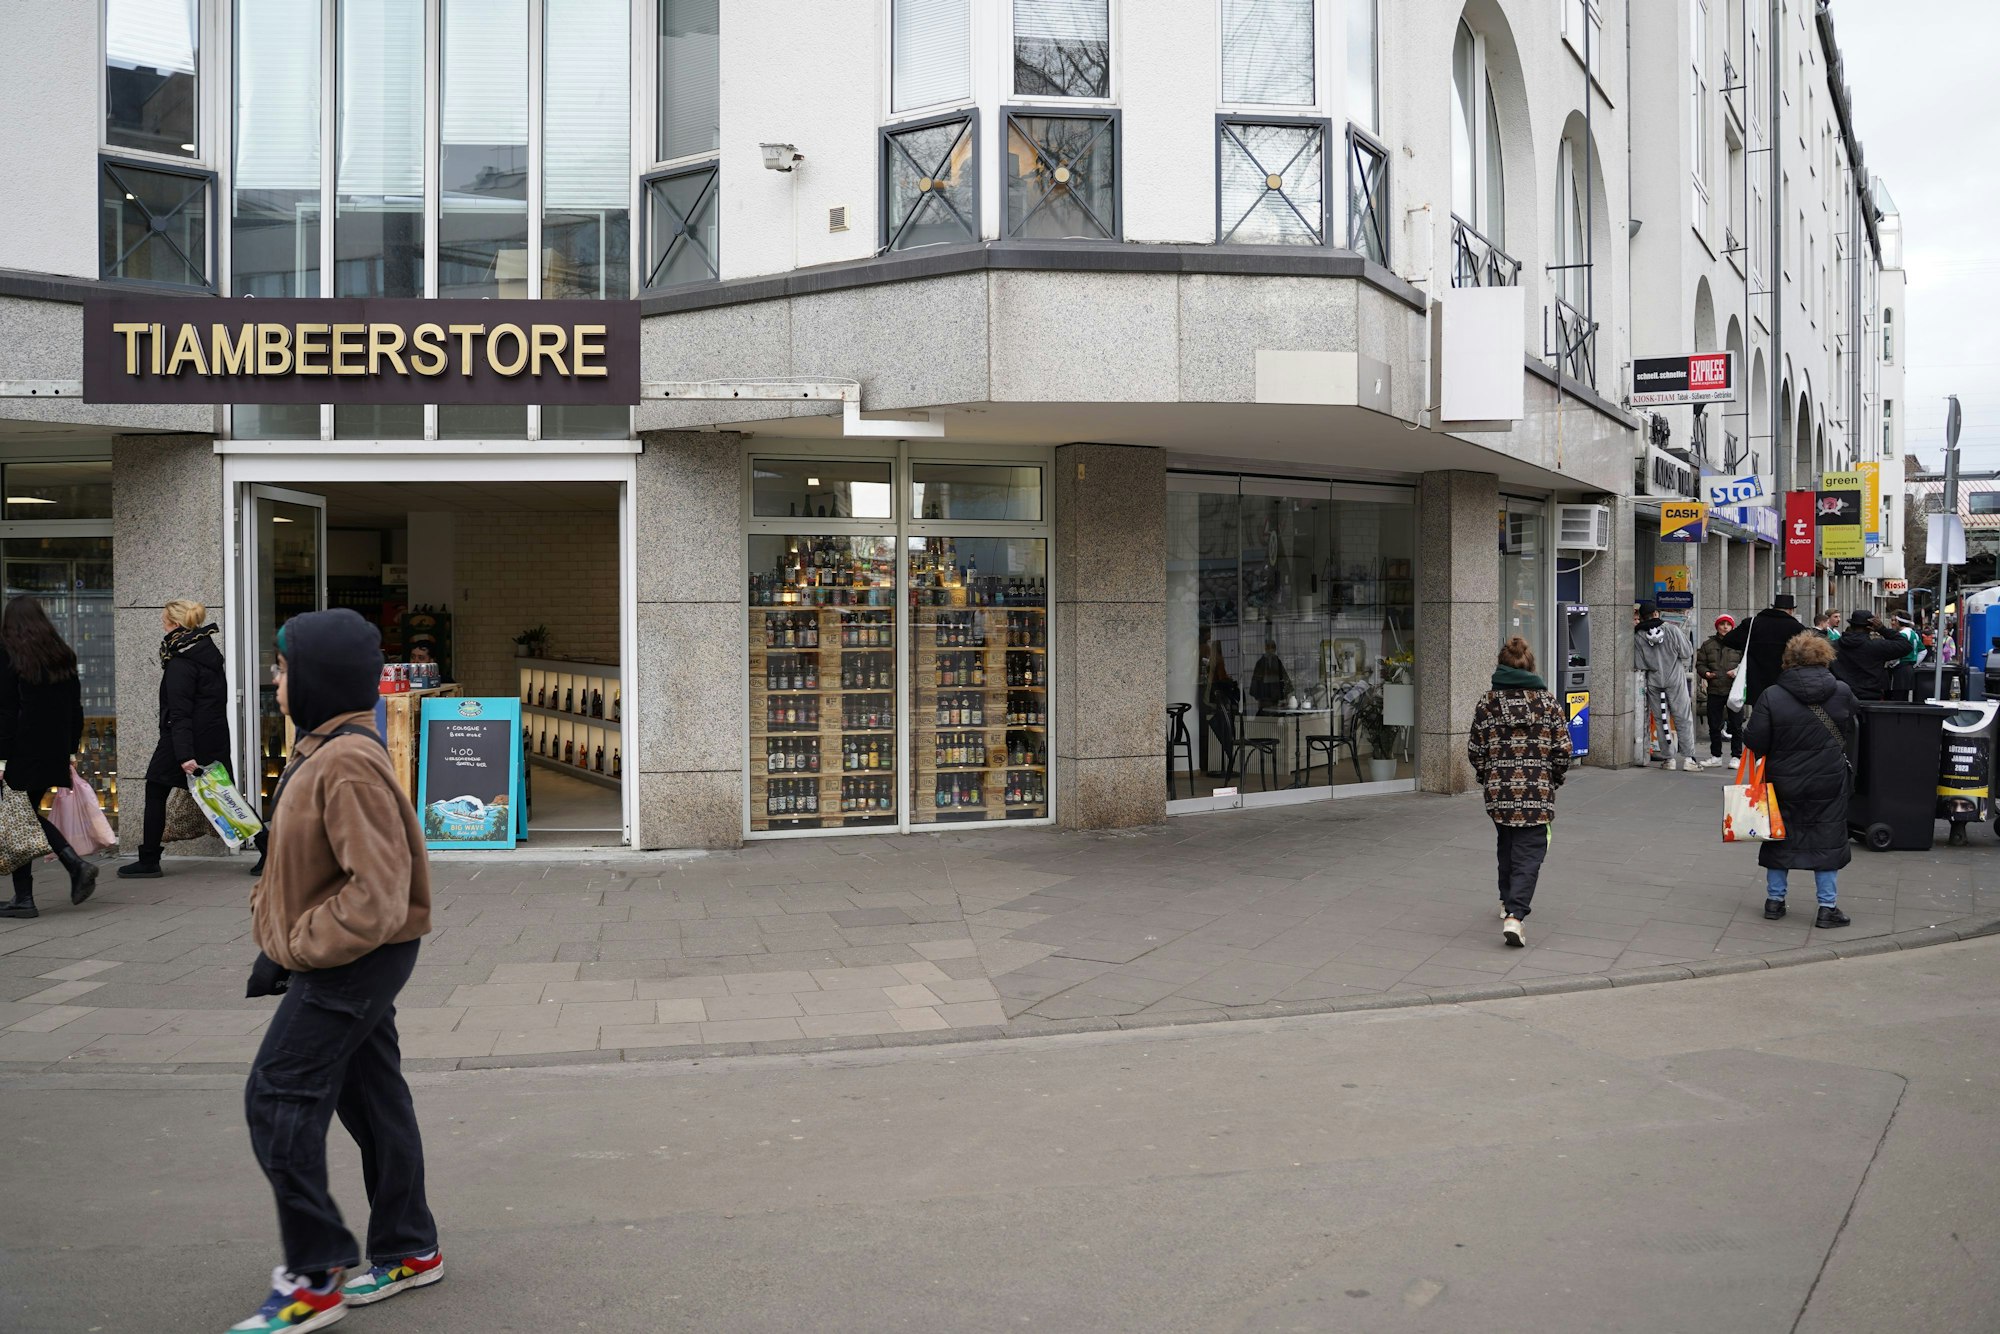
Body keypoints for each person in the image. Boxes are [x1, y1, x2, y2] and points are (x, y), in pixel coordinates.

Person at [233, 608, 440, 1333]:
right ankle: (409, 1248)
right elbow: (309, 869)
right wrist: (278, 945)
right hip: (347, 954)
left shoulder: (346, 759)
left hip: (355, 959)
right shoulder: (321, 747)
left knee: (277, 1096)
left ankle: (313, 1274)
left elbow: (374, 894)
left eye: (284, 667)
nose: (276, 679)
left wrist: (299, 947)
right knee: (373, 1095)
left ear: (315, 676)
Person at [1741, 632, 1856, 928]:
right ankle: (1827, 908)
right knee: (1828, 839)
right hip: (1828, 779)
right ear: (1825, 657)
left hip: (1784, 779)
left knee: (1780, 837)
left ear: (1788, 660)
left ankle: (1775, 902)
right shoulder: (1841, 691)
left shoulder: (1772, 695)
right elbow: (1853, 728)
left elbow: (1755, 739)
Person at [1467, 637, 1573, 949]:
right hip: (1536, 792)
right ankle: (1515, 914)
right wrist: (1551, 778)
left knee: (1507, 844)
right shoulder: (1549, 703)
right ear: (1531, 667)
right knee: (1530, 852)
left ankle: (1505, 899)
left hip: (1499, 791)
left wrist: (1488, 776)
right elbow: (1563, 751)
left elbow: (1476, 749)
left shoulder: (1488, 703)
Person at [119, 599, 231, 880]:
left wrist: (184, 754)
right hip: (207, 735)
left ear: (175, 624)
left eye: (164, 620)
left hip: (182, 739)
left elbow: (180, 712)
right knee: (222, 797)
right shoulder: (206, 653)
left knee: (159, 790)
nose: (162, 624)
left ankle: (148, 861)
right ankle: (267, 847)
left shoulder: (181, 661)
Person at [0, 597, 95, 918]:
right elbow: (75, 708)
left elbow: (8, 711)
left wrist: (1, 759)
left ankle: (60, 874)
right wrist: (69, 750)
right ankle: (26, 895)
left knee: (19, 820)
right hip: (52, 751)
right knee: (23, 818)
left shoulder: (9, 654)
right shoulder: (60, 655)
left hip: (19, 753)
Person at [1634, 603, 1707, 770]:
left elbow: (1639, 663)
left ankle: (1669, 759)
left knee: (1661, 720)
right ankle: (1688, 758)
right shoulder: (1672, 630)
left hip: (1654, 682)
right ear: (1656, 613)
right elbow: (1686, 652)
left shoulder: (1638, 635)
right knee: (1683, 717)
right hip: (1675, 679)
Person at [1720, 592, 1807, 709]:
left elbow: (1728, 640)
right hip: (1785, 683)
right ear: (1791, 610)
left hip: (1756, 682)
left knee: (1761, 715)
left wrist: (1749, 647)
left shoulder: (1752, 623)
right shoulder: (1797, 628)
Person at [1695, 614, 1744, 763]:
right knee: (1714, 725)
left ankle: (1736, 756)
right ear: (1717, 626)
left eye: (1728, 624)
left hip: (1733, 691)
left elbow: (1746, 664)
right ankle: (1716, 756)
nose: (1725, 627)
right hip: (1714, 690)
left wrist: (1736, 672)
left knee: (1736, 726)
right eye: (1722, 624)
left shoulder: (1739, 644)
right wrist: (1706, 673)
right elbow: (1700, 664)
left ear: (1732, 627)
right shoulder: (1707, 645)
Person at [1829, 610, 1907, 702]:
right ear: (1870, 627)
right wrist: (1882, 629)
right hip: (1870, 697)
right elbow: (1905, 645)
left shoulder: (1833, 646)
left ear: (1851, 625)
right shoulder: (1876, 646)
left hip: (1841, 697)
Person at [1197, 626, 1237, 778]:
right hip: (1212, 693)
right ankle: (1208, 761)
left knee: (1209, 726)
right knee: (1214, 725)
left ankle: (1206, 762)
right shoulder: (1208, 651)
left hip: (1209, 692)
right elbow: (1217, 673)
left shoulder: (1206, 650)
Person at [1249, 637, 1291, 709]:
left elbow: (1284, 677)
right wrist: (1257, 695)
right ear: (1266, 649)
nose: (1271, 650)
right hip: (1263, 696)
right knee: (1263, 715)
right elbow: (1255, 679)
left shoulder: (1277, 662)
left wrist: (1286, 693)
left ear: (1275, 649)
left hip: (1275, 695)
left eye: (1273, 648)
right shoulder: (1260, 663)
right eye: (1269, 648)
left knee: (1275, 716)